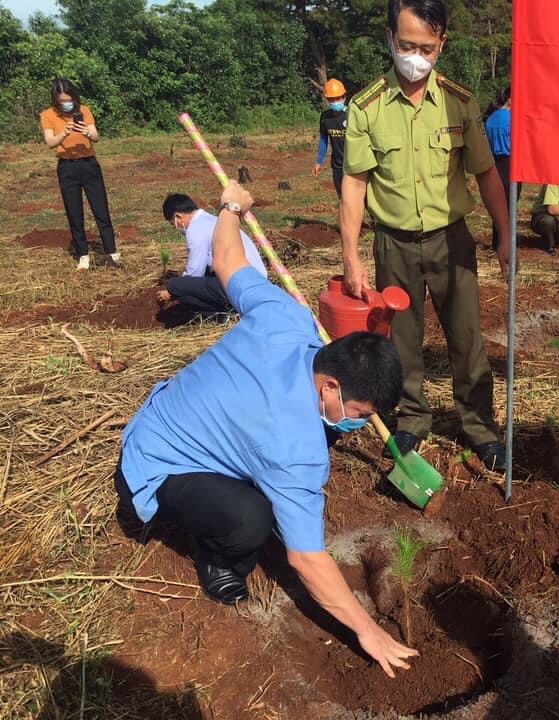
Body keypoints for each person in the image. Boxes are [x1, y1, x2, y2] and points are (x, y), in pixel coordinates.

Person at [116, 180, 417, 678]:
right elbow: (306, 560)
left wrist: (231, 206)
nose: (362, 424)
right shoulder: (294, 451)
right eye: (360, 412)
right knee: (250, 521)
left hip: (169, 414)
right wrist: (367, 629)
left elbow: (229, 259)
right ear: (330, 387)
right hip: (154, 464)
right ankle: (216, 560)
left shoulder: (287, 318)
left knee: (311, 445)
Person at [340, 0, 512, 472]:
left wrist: (505, 234)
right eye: (407, 45)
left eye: (426, 47)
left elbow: (486, 175)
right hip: (392, 242)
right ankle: (412, 419)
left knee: (466, 336)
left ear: (442, 45)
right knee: (402, 340)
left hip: (451, 241)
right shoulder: (367, 106)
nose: (416, 56)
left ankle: (479, 426)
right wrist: (351, 256)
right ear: (391, 40)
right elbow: (354, 186)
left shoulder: (460, 102)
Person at [39, 78, 121, 270]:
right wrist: (65, 133)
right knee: (74, 211)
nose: (66, 103)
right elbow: (50, 142)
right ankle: (82, 254)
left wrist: (86, 132)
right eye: (62, 100)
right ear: (56, 100)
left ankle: (111, 251)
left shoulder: (83, 111)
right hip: (67, 167)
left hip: (89, 164)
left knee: (101, 208)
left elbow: (96, 136)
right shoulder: (48, 115)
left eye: (69, 99)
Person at [156, 194, 268, 319]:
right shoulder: (211, 220)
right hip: (257, 281)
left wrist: (171, 291)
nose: (175, 228)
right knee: (192, 289)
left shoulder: (195, 230)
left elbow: (194, 273)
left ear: (178, 217)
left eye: (173, 224)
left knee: (177, 285)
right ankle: (227, 312)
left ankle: (224, 315)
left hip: (243, 286)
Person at [485, 85, 519, 252]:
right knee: (510, 205)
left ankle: (496, 241)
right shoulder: (512, 119)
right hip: (509, 163)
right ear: (510, 100)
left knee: (497, 203)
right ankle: (506, 243)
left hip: (493, 163)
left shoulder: (490, 118)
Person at [313, 78, 349, 198]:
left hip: (353, 164)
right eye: (331, 99)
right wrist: (319, 162)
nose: (335, 101)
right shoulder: (325, 117)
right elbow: (324, 140)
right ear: (327, 99)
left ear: (344, 97)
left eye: (338, 98)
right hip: (337, 165)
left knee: (358, 199)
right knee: (342, 197)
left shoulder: (351, 115)